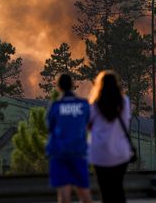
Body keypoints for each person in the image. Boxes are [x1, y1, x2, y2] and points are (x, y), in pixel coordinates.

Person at [46, 74, 92, 203]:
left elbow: (50, 128)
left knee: (64, 195)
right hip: (78, 152)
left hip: (60, 153)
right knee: (84, 194)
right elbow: (89, 124)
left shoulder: (55, 106)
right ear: (72, 85)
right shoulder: (84, 105)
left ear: (58, 87)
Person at [88, 71, 132, 203]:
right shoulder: (124, 102)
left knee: (105, 192)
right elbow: (127, 122)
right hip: (120, 153)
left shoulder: (94, 104)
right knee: (118, 189)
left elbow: (88, 125)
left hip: (100, 154)